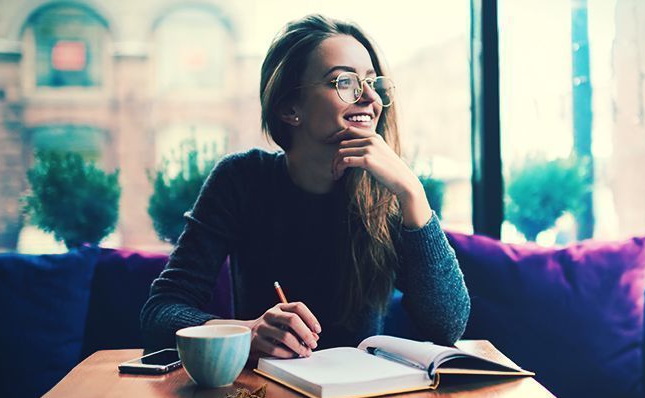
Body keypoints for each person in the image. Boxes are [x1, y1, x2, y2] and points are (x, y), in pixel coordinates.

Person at [140, 14, 470, 358]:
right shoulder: (240, 179)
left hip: (362, 395)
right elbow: (160, 312)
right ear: (289, 108)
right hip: (263, 396)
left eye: (373, 83)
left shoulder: (388, 189)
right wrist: (247, 333)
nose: (369, 98)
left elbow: (447, 326)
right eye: (344, 82)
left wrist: (412, 194)